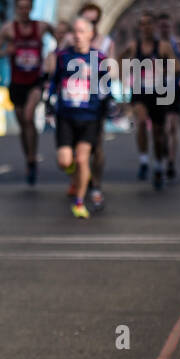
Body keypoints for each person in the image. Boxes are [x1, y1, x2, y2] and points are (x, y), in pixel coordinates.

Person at [49, 17, 113, 218]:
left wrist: (106, 105)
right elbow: (54, 81)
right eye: (75, 31)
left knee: (83, 158)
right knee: (65, 162)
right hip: (66, 116)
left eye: (82, 31)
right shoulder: (62, 56)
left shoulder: (99, 58)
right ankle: (79, 177)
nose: (77, 35)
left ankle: (79, 202)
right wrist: (50, 100)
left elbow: (105, 87)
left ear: (90, 34)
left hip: (89, 116)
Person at [0, 0, 52, 184]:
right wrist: (5, 51)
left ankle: (33, 158)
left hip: (35, 81)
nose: (24, 11)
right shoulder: (9, 29)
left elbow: (61, 34)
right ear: (16, 9)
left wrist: (54, 55)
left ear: (31, 8)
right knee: (23, 124)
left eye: (27, 7)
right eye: (21, 7)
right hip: (17, 83)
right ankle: (29, 158)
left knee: (28, 117)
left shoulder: (41, 27)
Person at [117, 12, 177, 190]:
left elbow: (176, 66)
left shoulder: (163, 47)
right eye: (143, 24)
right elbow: (120, 59)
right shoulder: (134, 46)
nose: (146, 27)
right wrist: (124, 76)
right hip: (139, 92)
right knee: (141, 123)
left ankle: (158, 166)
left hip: (159, 92)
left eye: (149, 24)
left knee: (159, 134)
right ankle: (144, 161)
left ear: (154, 26)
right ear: (139, 28)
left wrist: (163, 72)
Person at [78, 2, 113, 211]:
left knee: (96, 143)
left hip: (96, 96)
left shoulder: (105, 42)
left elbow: (111, 69)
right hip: (73, 97)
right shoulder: (71, 39)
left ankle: (96, 184)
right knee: (76, 145)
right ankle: (80, 180)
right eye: (86, 19)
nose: (90, 23)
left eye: (94, 20)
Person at [155, 12, 180, 176]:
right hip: (158, 89)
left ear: (171, 27)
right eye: (161, 26)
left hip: (174, 88)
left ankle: (171, 162)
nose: (164, 29)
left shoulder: (178, 44)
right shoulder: (154, 45)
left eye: (167, 26)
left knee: (173, 126)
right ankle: (163, 151)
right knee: (162, 128)